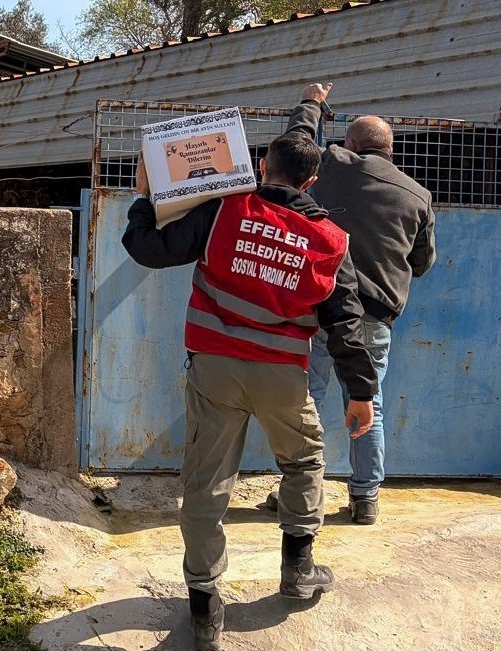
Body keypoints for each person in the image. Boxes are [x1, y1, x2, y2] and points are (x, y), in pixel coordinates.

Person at [122, 126, 378, 650]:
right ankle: (298, 570)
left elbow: (148, 249)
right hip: (282, 375)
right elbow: (345, 322)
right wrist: (360, 392)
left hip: (215, 368)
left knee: (206, 483)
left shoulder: (224, 210)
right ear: (311, 181)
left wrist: (144, 197)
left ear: (263, 167)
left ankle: (204, 606)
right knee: (303, 463)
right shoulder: (329, 240)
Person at [266, 82, 437, 525]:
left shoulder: (331, 164)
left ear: (353, 144)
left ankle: (297, 492)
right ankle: (365, 498)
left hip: (317, 311)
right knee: (366, 406)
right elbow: (421, 263)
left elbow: (297, 143)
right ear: (390, 150)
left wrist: (311, 103)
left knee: (305, 402)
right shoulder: (418, 196)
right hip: (374, 318)